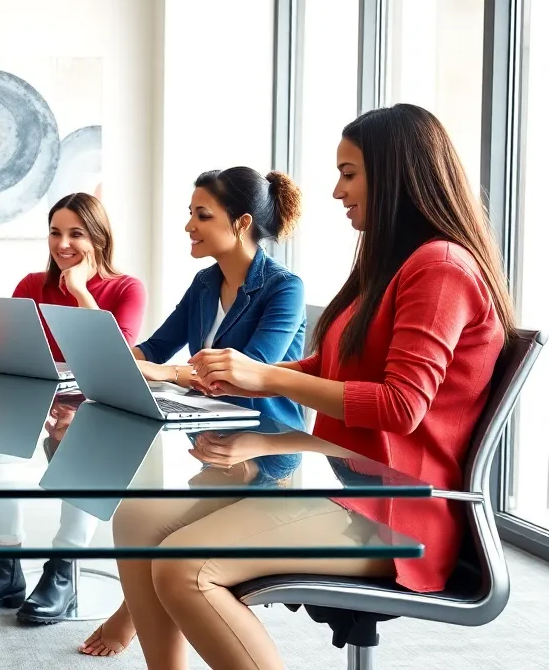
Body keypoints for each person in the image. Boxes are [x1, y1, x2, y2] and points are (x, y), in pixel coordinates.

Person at [124, 104, 513, 670]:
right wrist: (258, 402)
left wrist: (267, 376)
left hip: (398, 510)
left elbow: (401, 407)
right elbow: (334, 367)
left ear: (396, 175)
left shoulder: (441, 268)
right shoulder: (390, 267)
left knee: (186, 567)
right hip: (347, 478)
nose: (335, 191)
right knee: (137, 520)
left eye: (349, 173)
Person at [81, 166, 307, 658]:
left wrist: (173, 375)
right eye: (190, 213)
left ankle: (128, 618)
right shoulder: (206, 284)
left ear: (242, 223)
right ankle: (139, 631)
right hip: (214, 453)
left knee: (155, 537)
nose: (189, 225)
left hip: (265, 461)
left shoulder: (284, 289)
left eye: (202, 215)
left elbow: (250, 374)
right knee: (134, 520)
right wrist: (99, 358)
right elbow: (156, 348)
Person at [0, 192, 148, 625]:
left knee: (88, 441)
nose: (63, 244)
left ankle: (62, 571)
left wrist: (78, 291)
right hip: (42, 396)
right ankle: (5, 568)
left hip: (99, 401)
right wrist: (33, 400)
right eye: (56, 232)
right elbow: (13, 355)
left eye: (76, 234)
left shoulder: (126, 288)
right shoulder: (30, 286)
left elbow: (114, 359)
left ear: (99, 237)